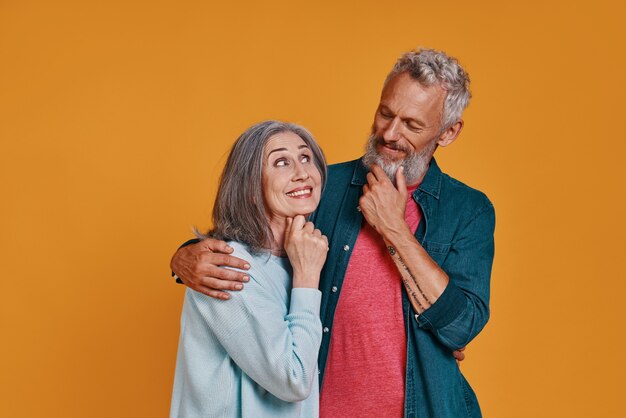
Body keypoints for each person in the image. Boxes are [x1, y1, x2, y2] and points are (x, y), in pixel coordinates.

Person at [171, 49, 496, 418]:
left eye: (412, 124)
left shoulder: (468, 210)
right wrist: (188, 253)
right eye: (385, 113)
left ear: (448, 132)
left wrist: (394, 229)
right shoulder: (323, 187)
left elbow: (460, 327)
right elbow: (255, 235)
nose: (390, 133)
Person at [170, 121, 330, 417]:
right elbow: (292, 379)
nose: (301, 172)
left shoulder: (299, 257)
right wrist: (308, 279)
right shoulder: (228, 266)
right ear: (251, 188)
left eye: (305, 157)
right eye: (281, 162)